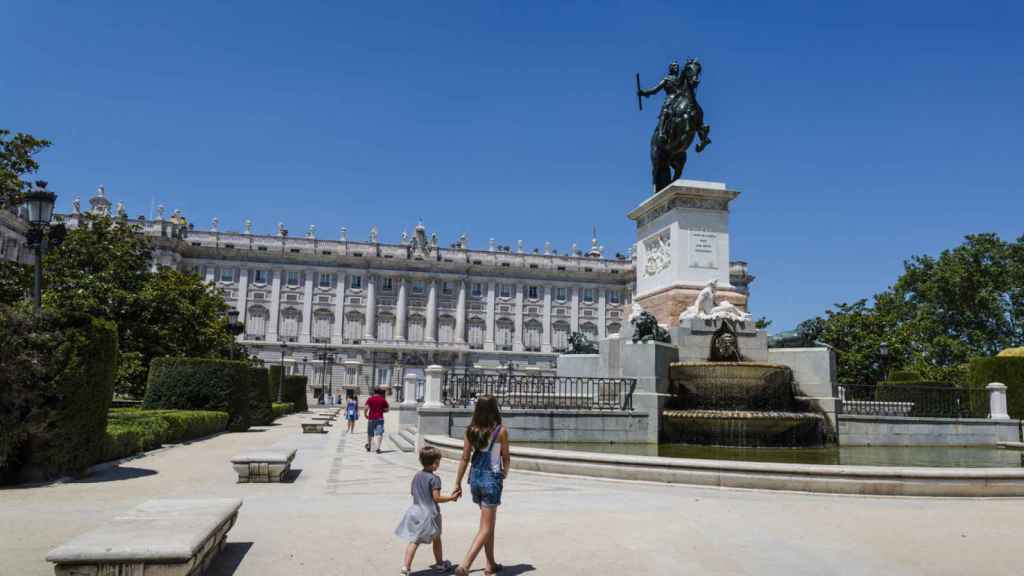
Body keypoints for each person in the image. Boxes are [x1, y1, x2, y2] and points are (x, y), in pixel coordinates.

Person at [453, 395, 510, 576]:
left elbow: (464, 458)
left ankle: (490, 564)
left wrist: (457, 483)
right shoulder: (500, 431)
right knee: (486, 527)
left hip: (475, 478)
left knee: (488, 524)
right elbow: (505, 457)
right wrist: (504, 474)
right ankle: (465, 565)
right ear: (494, 409)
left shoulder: (471, 430)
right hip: (491, 479)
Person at [395, 447, 459, 575]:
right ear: (434, 463)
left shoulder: (417, 475)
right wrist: (452, 498)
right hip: (430, 514)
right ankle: (440, 564)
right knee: (436, 538)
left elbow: (412, 492)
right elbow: (437, 498)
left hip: (415, 510)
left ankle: (405, 568)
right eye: (438, 462)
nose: (438, 464)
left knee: (414, 540)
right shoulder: (434, 479)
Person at [364, 387, 389, 453]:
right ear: (380, 392)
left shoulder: (370, 399)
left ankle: (369, 447)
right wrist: (382, 410)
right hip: (380, 418)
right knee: (379, 433)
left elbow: (366, 408)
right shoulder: (383, 400)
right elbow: (387, 409)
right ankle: (378, 448)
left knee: (370, 433)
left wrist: (365, 414)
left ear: (373, 392)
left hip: (371, 418)